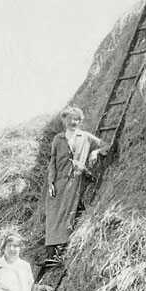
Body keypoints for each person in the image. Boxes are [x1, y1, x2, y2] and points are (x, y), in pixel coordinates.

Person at [44, 106, 108, 266]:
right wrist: (51, 182)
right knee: (53, 212)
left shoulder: (85, 137)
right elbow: (52, 162)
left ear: (80, 121)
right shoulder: (58, 139)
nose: (73, 122)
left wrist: (95, 152)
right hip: (59, 180)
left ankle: (61, 252)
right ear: (64, 120)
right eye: (70, 119)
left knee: (68, 211)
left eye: (76, 119)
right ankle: (51, 253)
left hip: (75, 179)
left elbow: (106, 145)